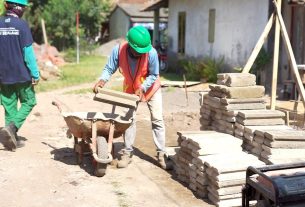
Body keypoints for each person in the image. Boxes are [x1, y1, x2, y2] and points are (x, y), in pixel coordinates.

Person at [93, 25, 171, 170]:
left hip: (151, 88)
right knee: (128, 120)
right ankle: (128, 152)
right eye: (138, 51)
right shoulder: (119, 50)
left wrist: (143, 88)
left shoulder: (151, 53)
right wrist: (102, 80)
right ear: (130, 45)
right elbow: (109, 68)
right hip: (130, 89)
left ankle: (161, 153)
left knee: (157, 119)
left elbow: (154, 75)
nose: (140, 53)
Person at [0, 0, 40, 151]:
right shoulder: (22, 25)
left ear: (6, 6)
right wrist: (35, 73)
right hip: (22, 74)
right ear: (20, 9)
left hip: (3, 75)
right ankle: (12, 127)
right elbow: (28, 53)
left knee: (9, 106)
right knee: (29, 101)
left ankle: (11, 138)